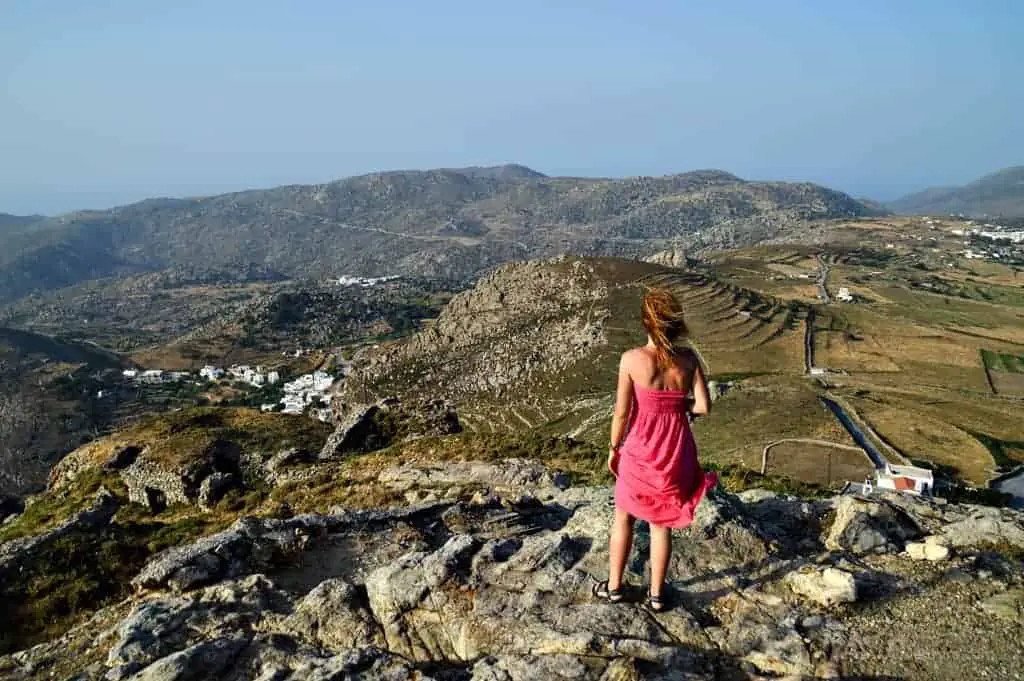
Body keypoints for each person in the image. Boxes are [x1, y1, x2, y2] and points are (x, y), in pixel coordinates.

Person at [593, 287, 717, 612]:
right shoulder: (688, 360)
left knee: (624, 516)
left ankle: (615, 587)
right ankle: (658, 595)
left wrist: (613, 448)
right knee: (660, 524)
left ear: (646, 324)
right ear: (677, 326)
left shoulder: (632, 360)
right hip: (675, 450)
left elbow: (621, 412)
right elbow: (704, 406)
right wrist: (678, 409)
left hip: (639, 449)